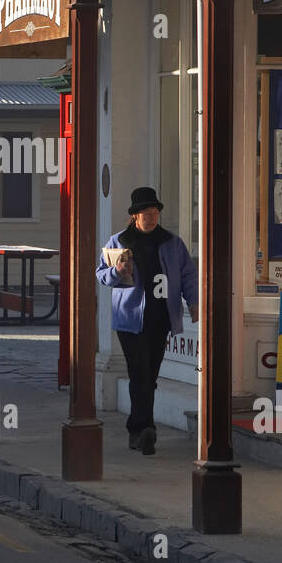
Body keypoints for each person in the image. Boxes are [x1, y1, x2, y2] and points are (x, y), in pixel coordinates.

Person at [96, 187, 198, 455]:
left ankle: (141, 428)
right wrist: (117, 271)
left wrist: (194, 302)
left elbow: (188, 275)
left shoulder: (172, 243)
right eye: (146, 213)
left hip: (161, 317)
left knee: (149, 375)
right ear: (135, 216)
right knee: (139, 372)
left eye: (155, 212)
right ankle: (143, 428)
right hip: (130, 319)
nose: (152, 217)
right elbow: (102, 276)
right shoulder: (118, 241)